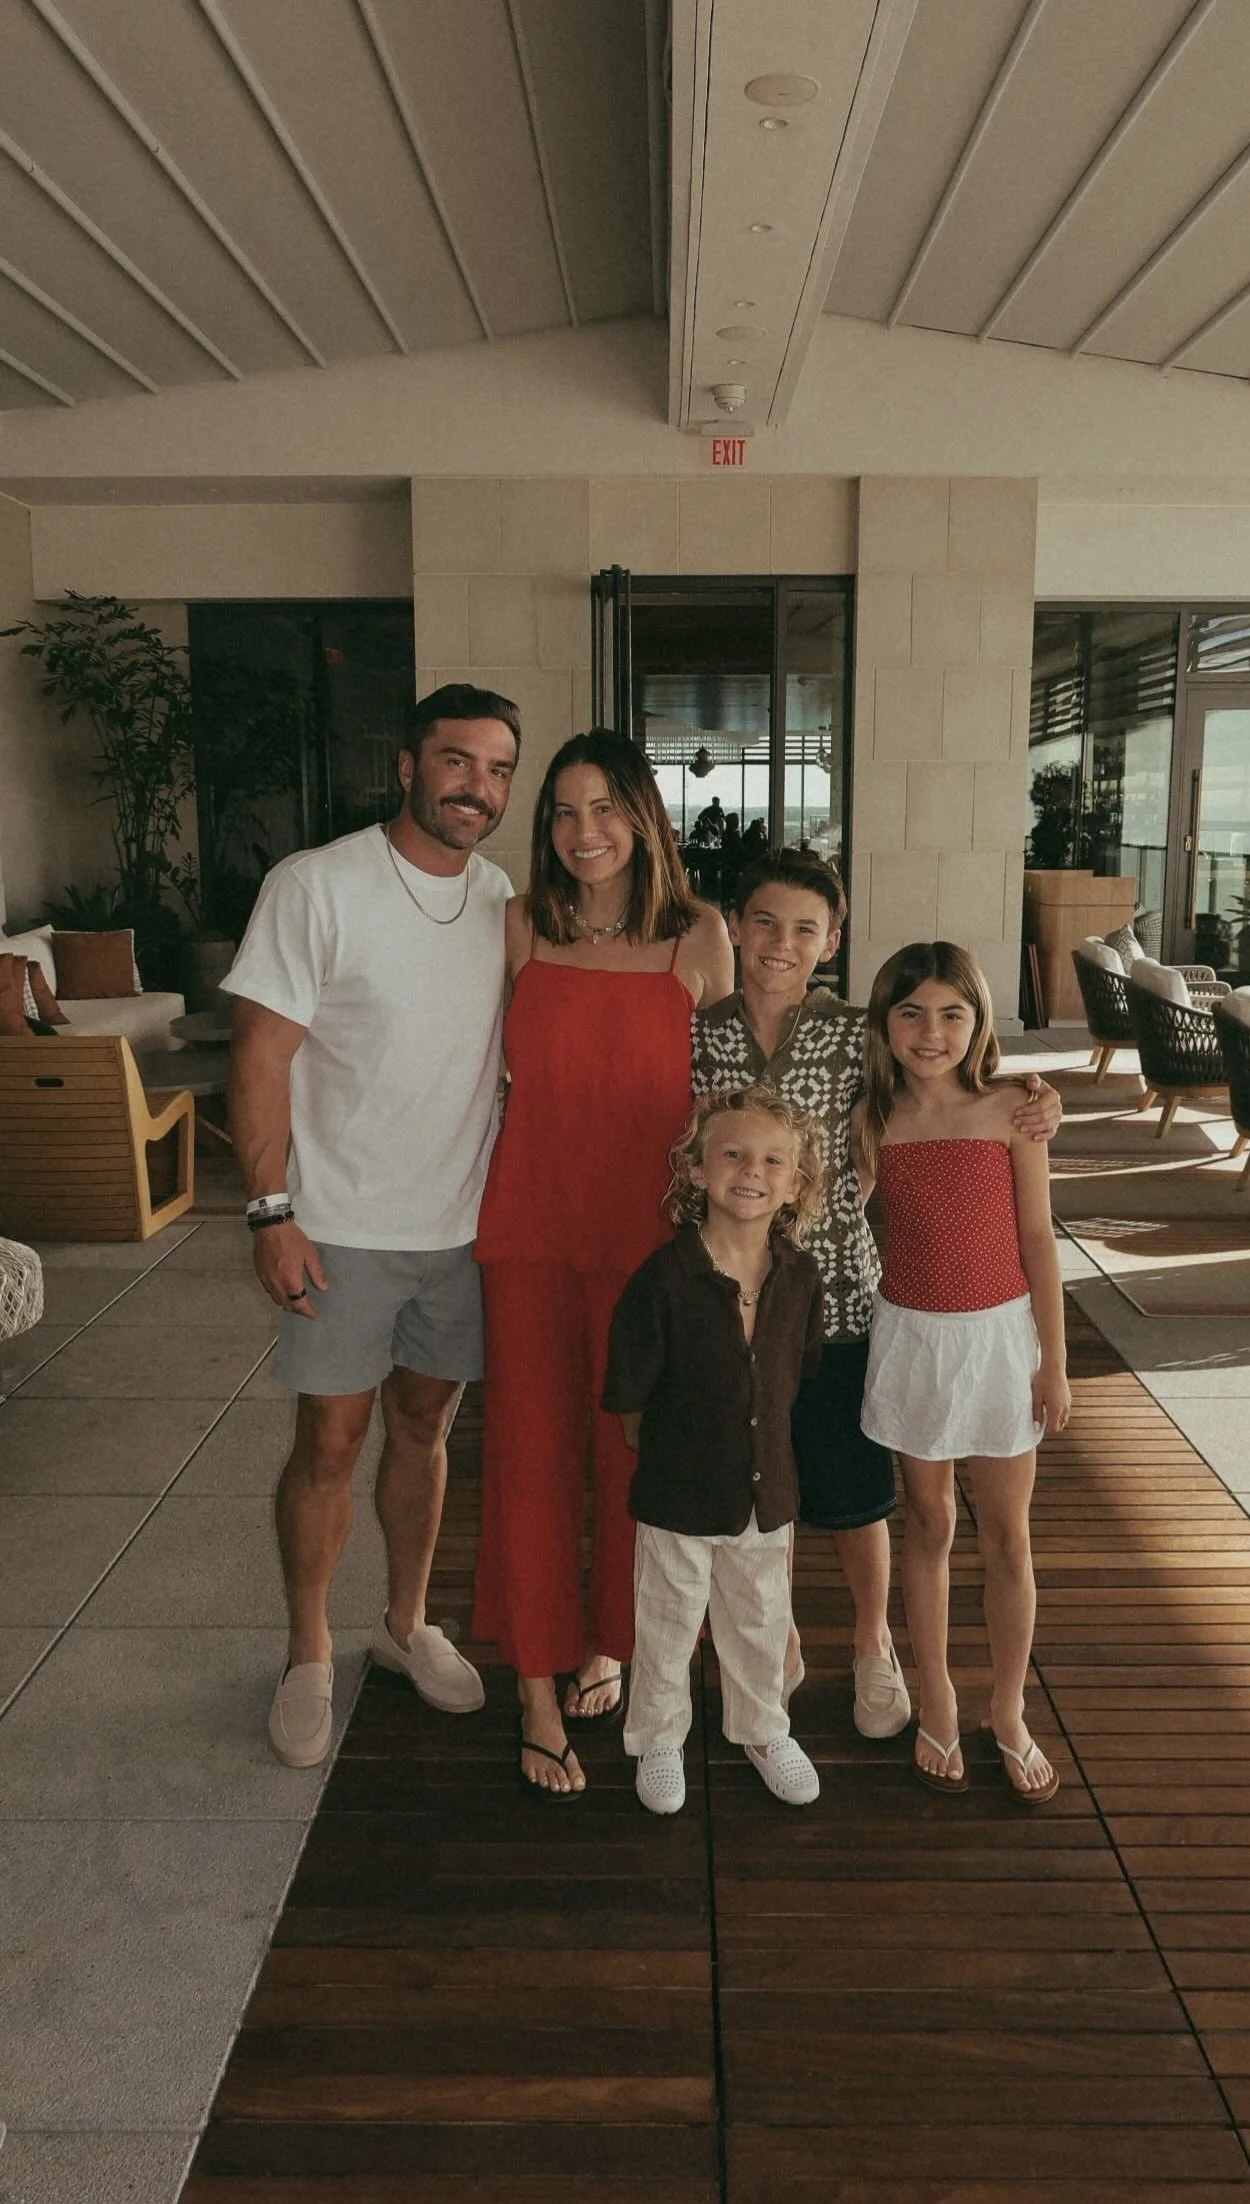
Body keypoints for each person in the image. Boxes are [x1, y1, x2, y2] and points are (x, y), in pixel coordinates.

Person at [692, 849, 1063, 1739]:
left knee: (859, 1491)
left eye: (806, 928)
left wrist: (1039, 1102)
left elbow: (939, 1080)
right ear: (735, 928)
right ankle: (775, 1642)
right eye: (766, 923)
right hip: (733, 1297)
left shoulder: (859, 1033)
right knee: (757, 1480)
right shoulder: (699, 1030)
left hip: (851, 1302)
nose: (782, 944)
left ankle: (872, 1645)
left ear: (833, 940)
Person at [224, 682, 522, 1767]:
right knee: (330, 1441)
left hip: (459, 1229)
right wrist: (272, 1210)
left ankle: (405, 1624)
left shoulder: (500, 899)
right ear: (407, 765)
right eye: (456, 761)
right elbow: (257, 1056)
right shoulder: (317, 884)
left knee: (424, 1431)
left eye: (496, 769)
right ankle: (308, 1648)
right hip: (338, 1223)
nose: (476, 787)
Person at [473, 729, 734, 1796]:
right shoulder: (518, 927)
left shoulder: (700, 939)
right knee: (532, 1461)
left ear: (644, 818)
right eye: (564, 815)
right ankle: (535, 1692)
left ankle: (616, 1640)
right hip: (529, 1229)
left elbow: (759, 1068)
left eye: (606, 811)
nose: (584, 835)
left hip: (651, 1243)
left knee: (635, 1458)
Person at [855, 941, 1070, 1804]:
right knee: (931, 1521)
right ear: (885, 1024)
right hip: (911, 1338)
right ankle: (936, 1692)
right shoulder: (874, 1119)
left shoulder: (1014, 1108)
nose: (931, 1031)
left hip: (1000, 1342)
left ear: (980, 1019)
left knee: (1007, 1534)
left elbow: (1038, 1239)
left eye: (952, 1012)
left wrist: (1054, 1361)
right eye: (910, 1012)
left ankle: (1009, 1707)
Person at [604, 1088, 826, 1814]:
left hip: (768, 1493)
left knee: (760, 1616)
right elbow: (631, 1397)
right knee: (668, 1620)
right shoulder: (663, 1280)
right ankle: (659, 1736)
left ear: (794, 1183)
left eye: (771, 1159)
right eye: (731, 1153)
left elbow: (799, 1377)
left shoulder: (801, 1279)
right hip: (679, 1490)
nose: (750, 1170)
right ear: (696, 1170)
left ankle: (763, 1728)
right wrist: (677, 1454)